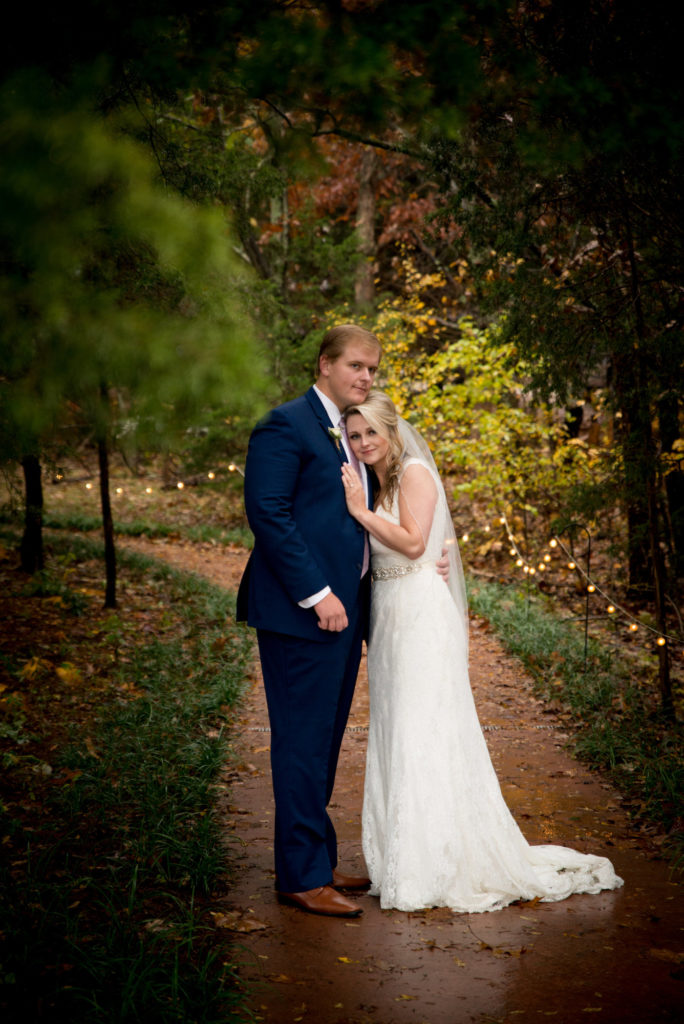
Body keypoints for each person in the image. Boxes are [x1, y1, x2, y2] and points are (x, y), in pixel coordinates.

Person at [341, 390, 624, 913]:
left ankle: (437, 864)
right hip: (389, 614)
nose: (362, 443)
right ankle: (403, 857)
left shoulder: (416, 473)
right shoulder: (373, 478)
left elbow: (410, 542)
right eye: (354, 435)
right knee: (396, 729)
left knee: (424, 730)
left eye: (370, 433)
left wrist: (359, 511)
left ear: (391, 431)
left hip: (421, 615)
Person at [236, 323, 382, 918]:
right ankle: (299, 876)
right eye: (356, 366)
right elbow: (267, 513)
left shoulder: (348, 432)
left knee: (321, 740)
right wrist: (318, 593)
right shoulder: (285, 424)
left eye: (373, 369)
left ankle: (316, 858)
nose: (366, 377)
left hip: (346, 613)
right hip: (305, 613)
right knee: (300, 742)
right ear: (325, 363)